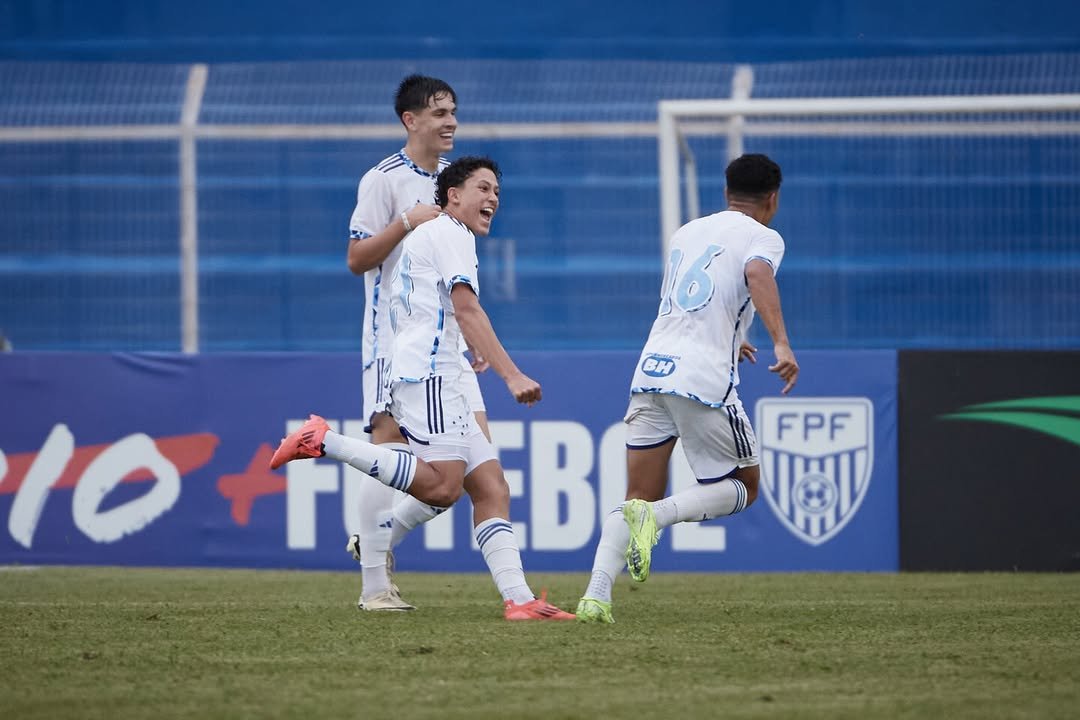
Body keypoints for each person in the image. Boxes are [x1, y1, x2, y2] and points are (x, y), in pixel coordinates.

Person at [273, 156, 575, 621]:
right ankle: (324, 441)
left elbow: (446, 312)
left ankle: (520, 600)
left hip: (441, 368)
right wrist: (511, 374)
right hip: (430, 374)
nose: (493, 197)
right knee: (442, 489)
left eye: (497, 190)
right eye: (483, 187)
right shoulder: (451, 232)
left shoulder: (438, 235)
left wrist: (468, 345)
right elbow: (467, 308)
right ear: (453, 195)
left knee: (491, 487)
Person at [575, 153, 799, 624]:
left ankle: (596, 597)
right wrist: (781, 342)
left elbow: (686, 300)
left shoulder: (687, 231)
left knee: (637, 492)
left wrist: (733, 337)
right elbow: (757, 275)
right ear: (773, 198)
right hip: (702, 379)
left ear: (725, 193)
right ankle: (655, 520)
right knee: (744, 485)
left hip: (651, 370)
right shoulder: (764, 237)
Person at [340, 74, 492, 612]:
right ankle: (374, 586)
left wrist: (467, 334)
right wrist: (407, 220)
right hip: (393, 342)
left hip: (446, 346)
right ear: (411, 120)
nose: (450, 121)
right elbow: (357, 258)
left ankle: (378, 541)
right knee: (390, 446)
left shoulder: (457, 183)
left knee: (472, 462)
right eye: (439, 112)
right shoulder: (384, 180)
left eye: (453, 111)